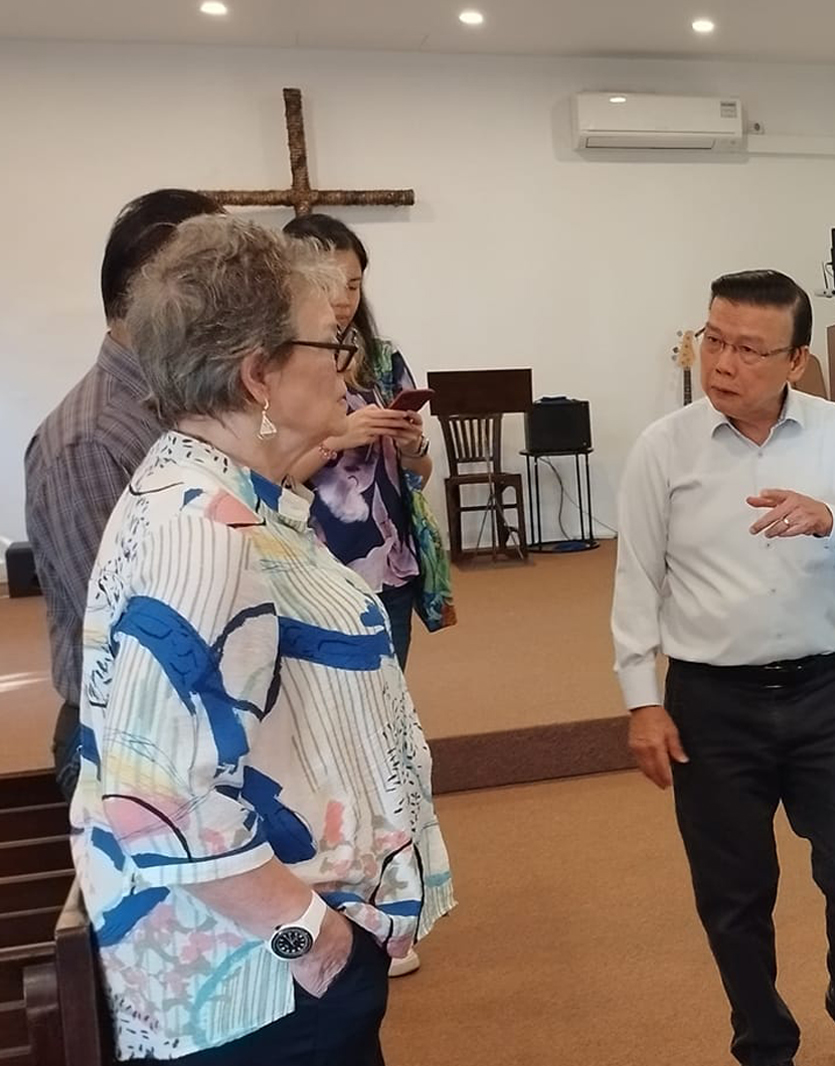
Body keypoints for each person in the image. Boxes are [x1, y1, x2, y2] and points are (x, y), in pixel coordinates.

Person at [71, 214, 454, 1065]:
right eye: (331, 346)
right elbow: (155, 801)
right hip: (262, 990)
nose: (346, 366)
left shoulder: (227, 490)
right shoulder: (204, 533)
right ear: (259, 376)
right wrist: (313, 943)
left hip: (273, 970)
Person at [610, 270, 835, 1066]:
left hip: (826, 691)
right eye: (713, 340)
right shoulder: (663, 448)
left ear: (796, 361)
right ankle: (764, 1038)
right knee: (734, 892)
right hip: (713, 701)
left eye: (749, 349)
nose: (723, 362)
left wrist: (830, 519)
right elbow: (636, 581)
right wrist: (643, 700)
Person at [24, 188, 223, 800]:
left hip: (189, 725)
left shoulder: (179, 401)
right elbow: (124, 633)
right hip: (129, 744)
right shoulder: (89, 439)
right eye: (217, 288)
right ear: (150, 293)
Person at [284, 213, 455, 678]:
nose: (343, 300)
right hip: (316, 565)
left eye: (354, 285)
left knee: (390, 693)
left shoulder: (382, 359)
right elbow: (264, 482)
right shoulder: (276, 368)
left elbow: (418, 476)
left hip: (389, 561)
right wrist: (336, 441)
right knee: (328, 697)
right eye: (329, 285)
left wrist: (411, 446)